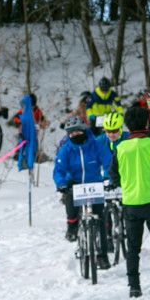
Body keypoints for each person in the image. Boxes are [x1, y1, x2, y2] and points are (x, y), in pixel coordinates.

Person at [109, 106, 150, 297]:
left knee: (133, 248)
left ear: (127, 126)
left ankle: (134, 286)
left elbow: (114, 176)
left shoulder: (120, 148)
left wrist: (127, 183)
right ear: (147, 123)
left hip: (131, 204)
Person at [53, 114, 113, 267]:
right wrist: (61, 184)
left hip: (95, 184)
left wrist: (110, 179)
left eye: (77, 132)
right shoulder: (66, 149)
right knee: (71, 204)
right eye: (71, 133)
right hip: (74, 183)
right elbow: (59, 169)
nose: (75, 135)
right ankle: (72, 225)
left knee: (100, 222)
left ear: (84, 130)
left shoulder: (96, 145)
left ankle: (102, 255)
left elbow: (109, 163)